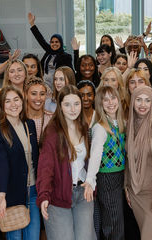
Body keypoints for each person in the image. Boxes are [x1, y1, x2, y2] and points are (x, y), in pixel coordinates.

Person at [37, 86, 95, 240]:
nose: (73, 109)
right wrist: (44, 196)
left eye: (76, 104)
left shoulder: (84, 127)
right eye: (67, 104)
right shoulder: (52, 132)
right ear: (60, 106)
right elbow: (45, 168)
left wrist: (92, 183)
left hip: (82, 193)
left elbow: (90, 163)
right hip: (58, 195)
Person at [0, 86, 41, 240]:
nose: (13, 104)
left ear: (22, 101)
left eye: (16, 99)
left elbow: (35, 158)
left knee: (33, 237)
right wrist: (2, 194)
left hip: (32, 192)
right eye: (7, 101)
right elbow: (1, 163)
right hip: (10, 193)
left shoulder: (29, 124)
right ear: (2, 106)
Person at [125, 86, 152, 240]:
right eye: (138, 100)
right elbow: (129, 158)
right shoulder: (130, 123)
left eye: (147, 100)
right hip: (135, 192)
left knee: (148, 237)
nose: (143, 105)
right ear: (133, 102)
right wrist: (126, 185)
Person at [85, 85, 128, 239]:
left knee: (118, 221)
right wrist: (90, 180)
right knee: (113, 223)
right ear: (100, 104)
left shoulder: (120, 122)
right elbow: (95, 155)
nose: (110, 102)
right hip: (107, 178)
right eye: (105, 100)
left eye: (113, 98)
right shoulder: (100, 127)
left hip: (120, 176)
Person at [28, 12, 74, 77]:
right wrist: (32, 24)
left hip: (57, 83)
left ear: (61, 43)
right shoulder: (48, 51)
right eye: (52, 42)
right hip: (44, 81)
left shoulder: (66, 56)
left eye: (56, 42)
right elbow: (40, 39)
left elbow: (70, 73)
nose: (54, 44)